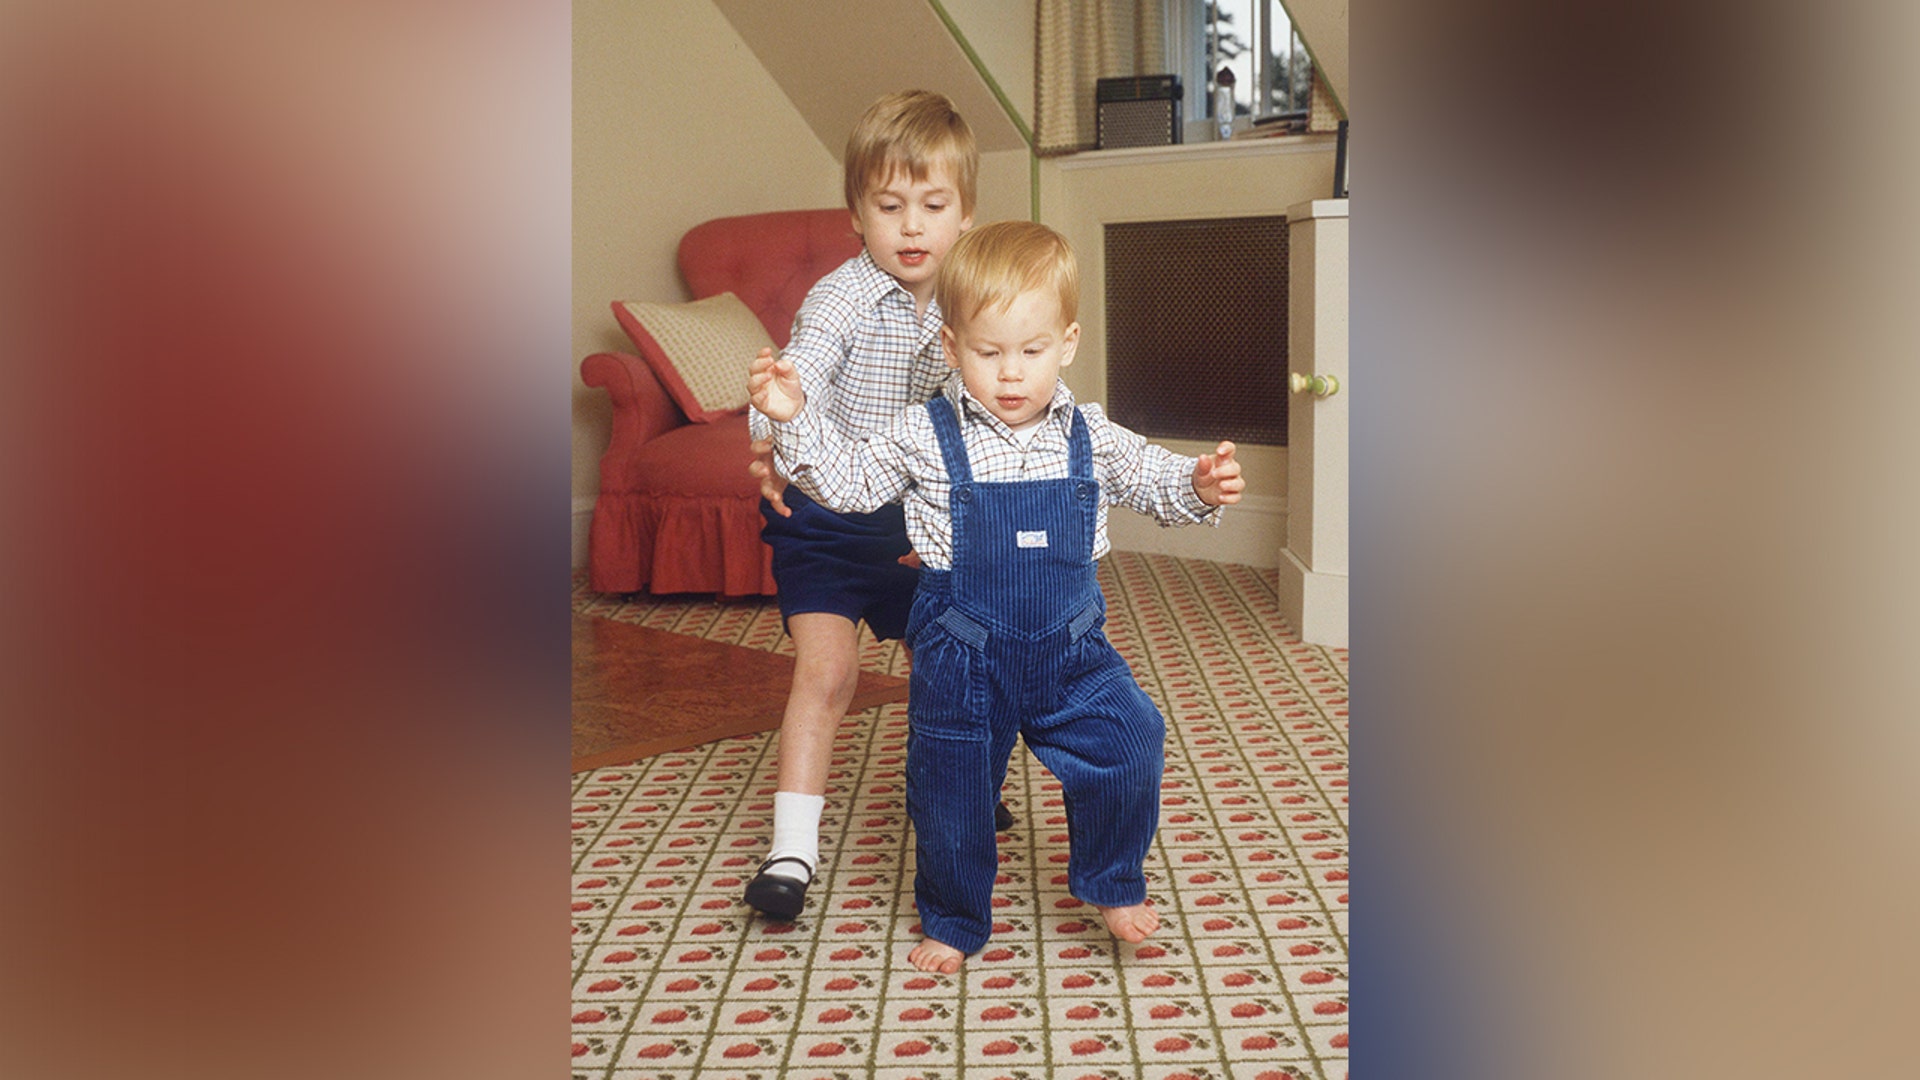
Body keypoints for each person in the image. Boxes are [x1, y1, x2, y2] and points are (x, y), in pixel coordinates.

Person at [749, 220, 1246, 973]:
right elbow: (848, 484)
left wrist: (1198, 484)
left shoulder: (1090, 431)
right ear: (951, 348)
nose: (1010, 374)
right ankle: (952, 917)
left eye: (1031, 351)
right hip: (960, 652)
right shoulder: (923, 433)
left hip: (1072, 648)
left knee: (1132, 739)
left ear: (1068, 342)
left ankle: (1111, 882)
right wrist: (795, 421)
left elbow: (1153, 478)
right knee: (949, 791)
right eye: (987, 353)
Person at [739, 90, 1014, 923]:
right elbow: (796, 377)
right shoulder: (840, 299)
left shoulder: (975, 298)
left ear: (966, 214)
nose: (911, 227)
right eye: (888, 207)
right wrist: (772, 427)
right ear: (857, 214)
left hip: (923, 525)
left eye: (933, 206)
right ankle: (791, 850)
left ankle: (951, 788)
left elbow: (1012, 388)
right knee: (825, 673)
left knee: (966, 663)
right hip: (824, 522)